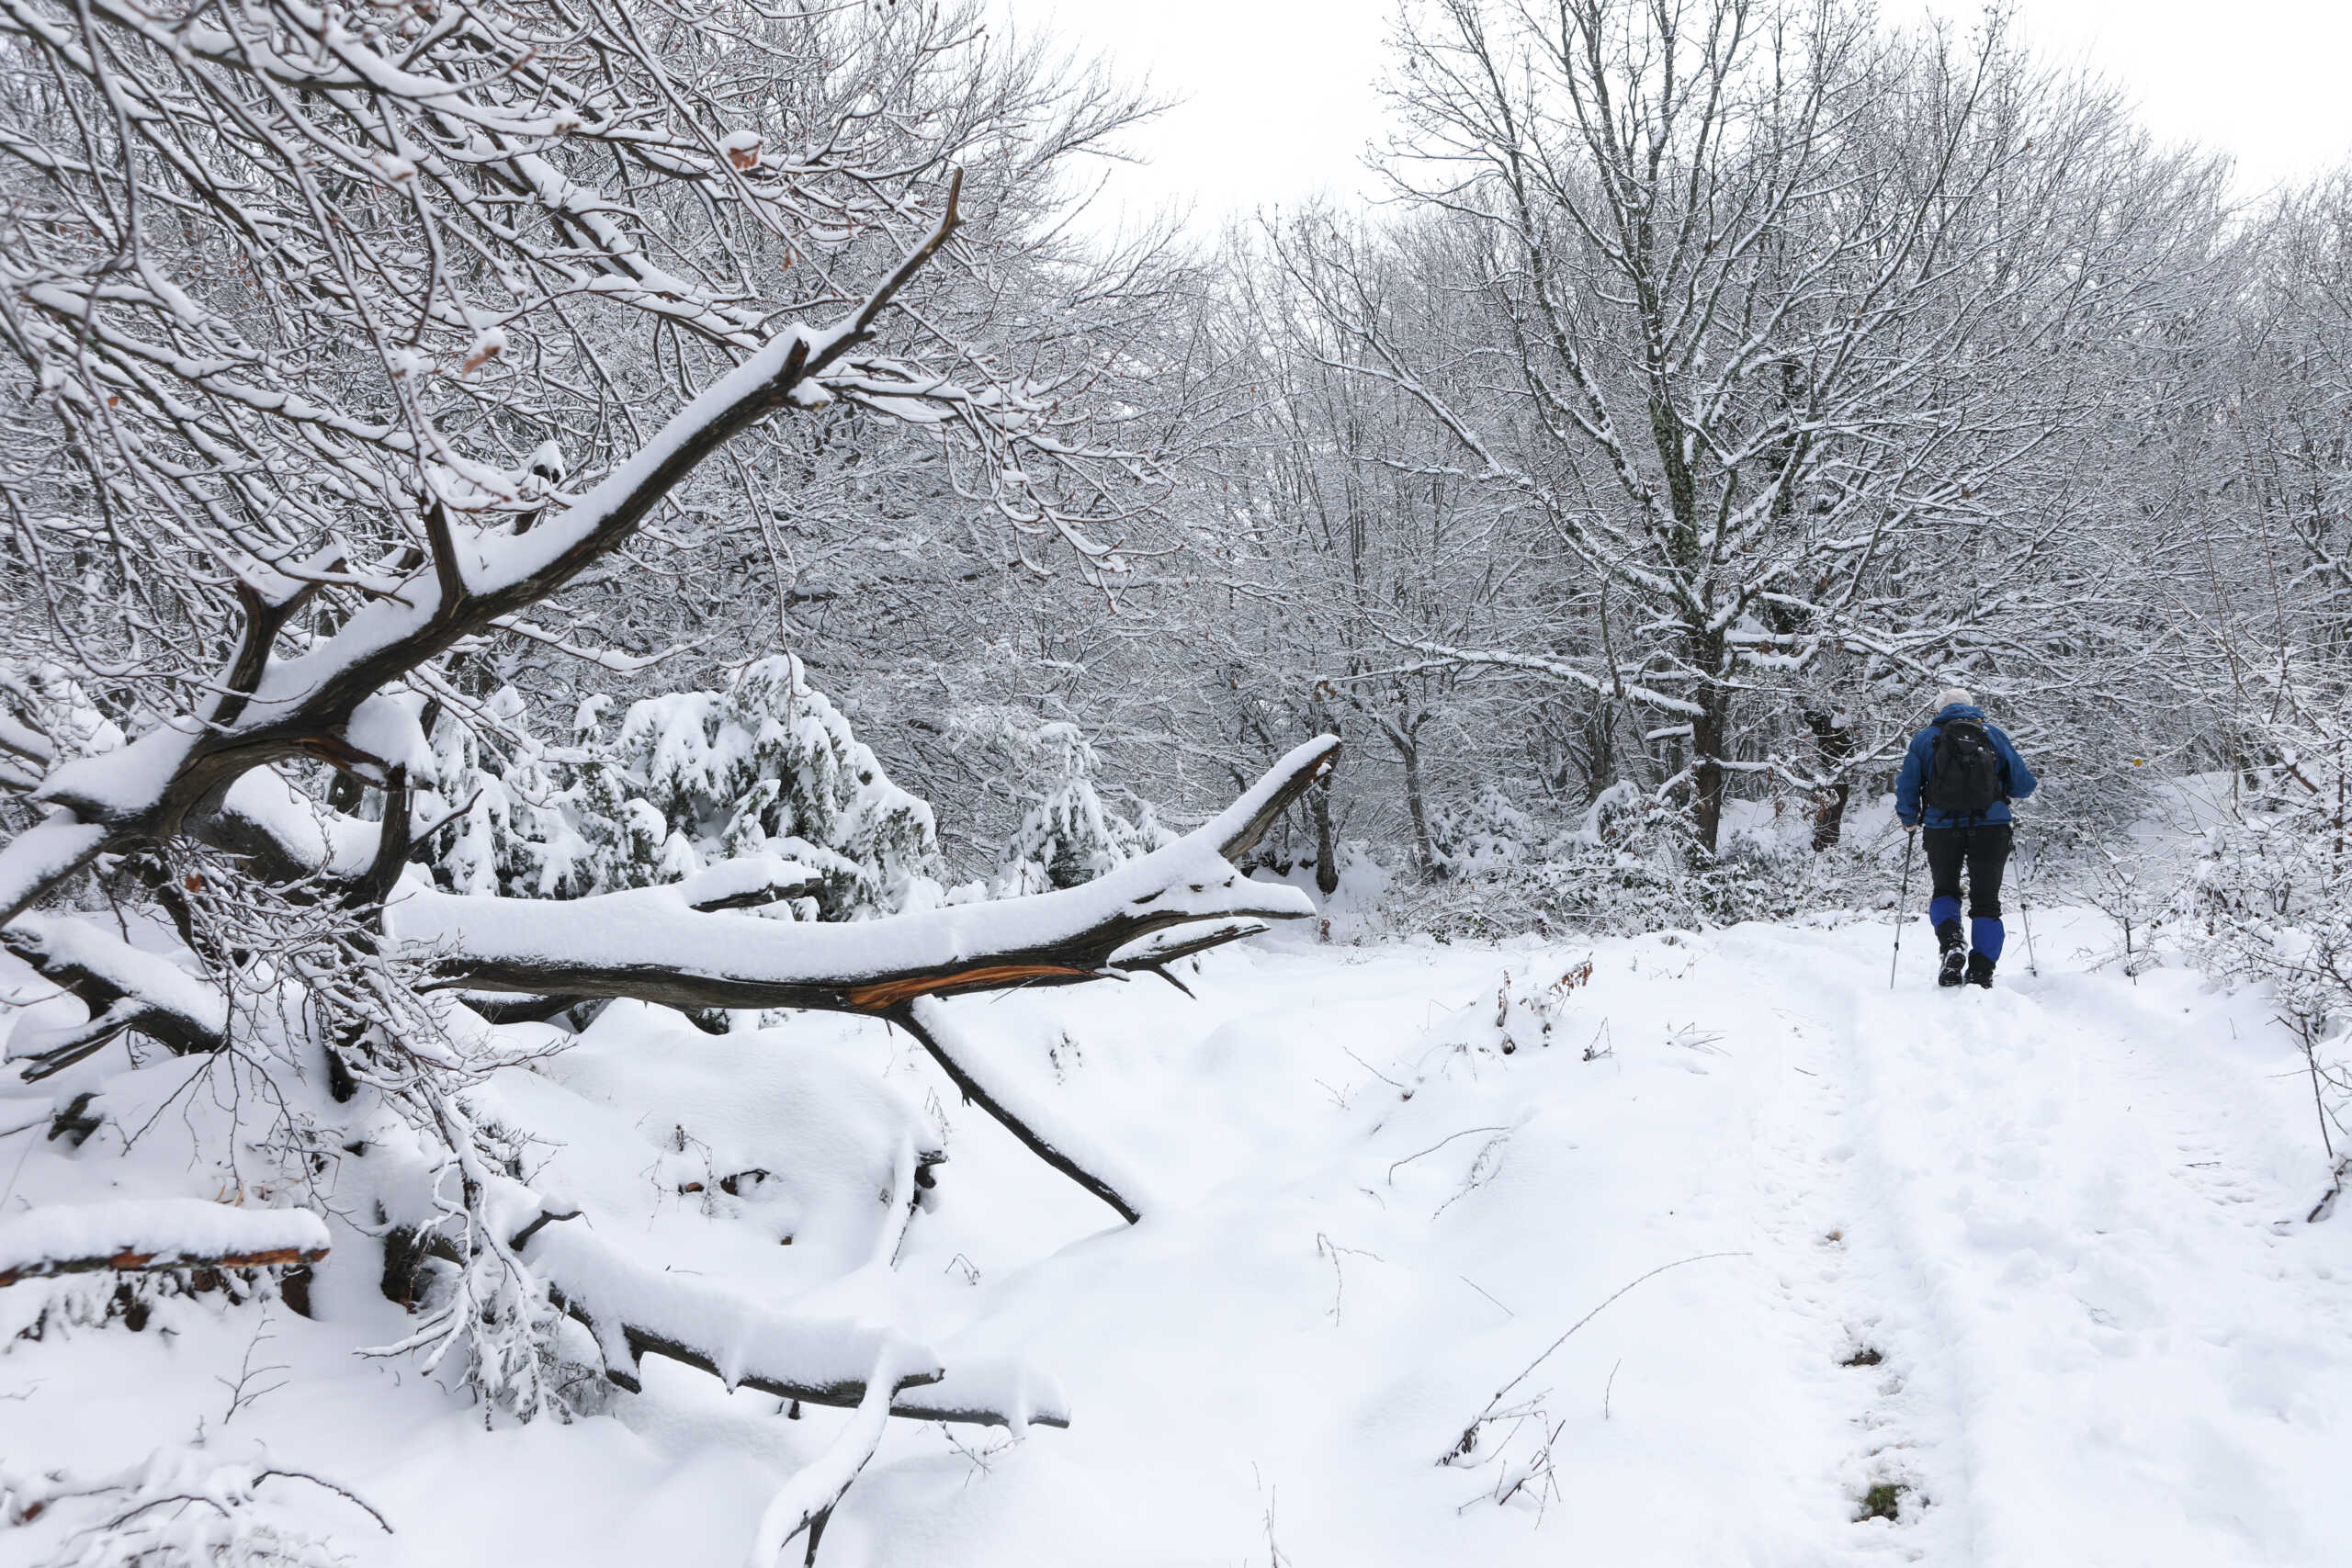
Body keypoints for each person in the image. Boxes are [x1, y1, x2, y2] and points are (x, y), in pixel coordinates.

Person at [1894, 686, 2038, 988]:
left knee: (1945, 891)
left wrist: (1909, 820)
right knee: (1987, 901)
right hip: (1992, 828)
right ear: (1973, 708)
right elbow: (2023, 785)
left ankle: (1952, 945)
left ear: (1939, 710)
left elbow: (1907, 785)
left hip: (1941, 828)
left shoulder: (1925, 739)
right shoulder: (1993, 735)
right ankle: (1981, 970)